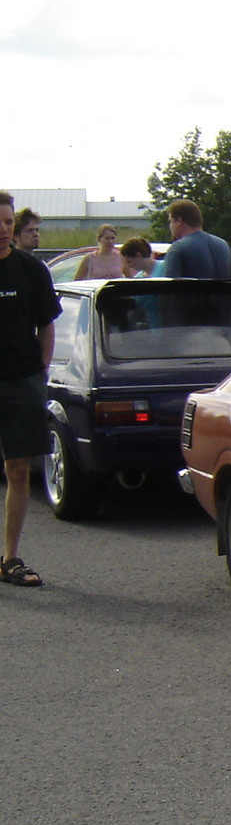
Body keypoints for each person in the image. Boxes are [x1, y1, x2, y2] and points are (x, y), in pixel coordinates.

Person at [0, 191, 60, 587]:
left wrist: (40, 372)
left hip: (21, 381)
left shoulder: (31, 270)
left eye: (7, 223)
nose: (3, 230)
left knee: (18, 470)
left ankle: (10, 559)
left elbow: (47, 325)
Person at [158, 200, 231, 278]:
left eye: (171, 221)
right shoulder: (223, 245)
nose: (170, 226)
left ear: (179, 221)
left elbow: (169, 288)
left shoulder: (178, 248)